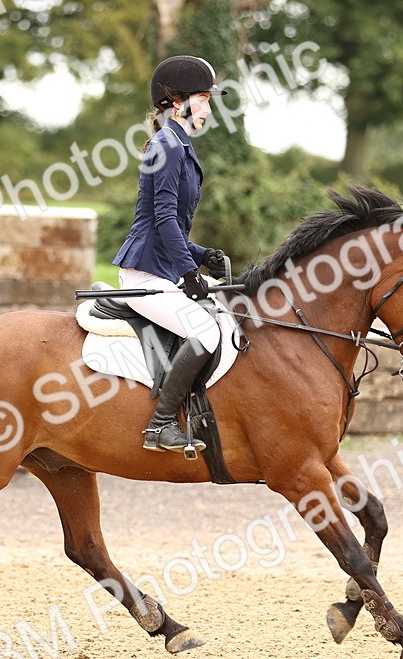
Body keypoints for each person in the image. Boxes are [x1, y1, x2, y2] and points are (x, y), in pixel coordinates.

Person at [113, 55, 231, 454]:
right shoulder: (168, 144)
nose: (210, 106)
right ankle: (160, 425)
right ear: (178, 100)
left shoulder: (178, 143)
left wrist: (201, 255)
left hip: (162, 266)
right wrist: (188, 272)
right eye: (204, 97)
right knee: (205, 331)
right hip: (146, 272)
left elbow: (172, 225)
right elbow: (161, 217)